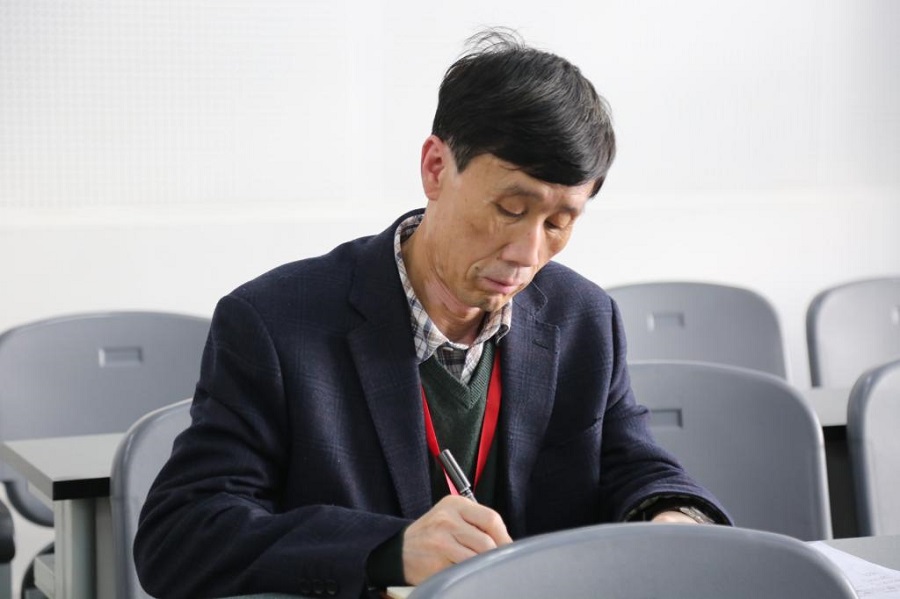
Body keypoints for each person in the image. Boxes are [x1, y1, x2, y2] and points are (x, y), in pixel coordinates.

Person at [134, 29, 730, 599]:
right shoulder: (275, 323)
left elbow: (635, 468)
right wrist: (384, 550)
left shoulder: (583, 319)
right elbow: (181, 535)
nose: (527, 254)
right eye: (510, 209)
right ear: (436, 168)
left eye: (558, 223)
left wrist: (672, 515)